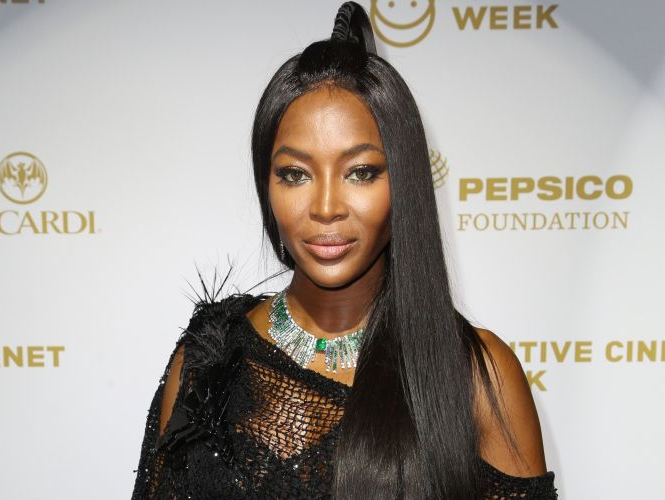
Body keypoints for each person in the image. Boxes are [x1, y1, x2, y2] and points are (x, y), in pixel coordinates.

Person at [131, 2, 558, 498]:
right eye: (295, 174)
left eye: (361, 172)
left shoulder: (478, 377)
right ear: (267, 185)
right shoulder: (207, 361)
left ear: (404, 182)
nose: (326, 207)